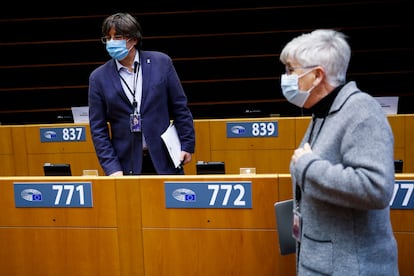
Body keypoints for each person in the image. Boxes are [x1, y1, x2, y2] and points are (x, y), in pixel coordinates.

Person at [279, 29, 399, 275]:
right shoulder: (323, 113)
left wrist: (308, 167)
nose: (286, 77)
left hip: (353, 267)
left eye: (291, 70)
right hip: (323, 263)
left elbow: (376, 188)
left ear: (317, 75)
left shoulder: (361, 111)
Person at [88, 12, 195, 176]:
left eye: (117, 37)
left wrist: (187, 144)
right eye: (107, 38)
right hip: (124, 166)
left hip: (165, 159)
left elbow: (180, 107)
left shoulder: (161, 62)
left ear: (134, 39)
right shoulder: (98, 77)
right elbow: (98, 129)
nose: (111, 42)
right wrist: (111, 167)